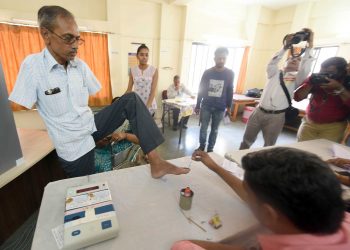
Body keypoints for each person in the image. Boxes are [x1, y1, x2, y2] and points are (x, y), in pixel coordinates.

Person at [8, 5, 189, 178]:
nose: (75, 45)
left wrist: (100, 133)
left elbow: (87, 105)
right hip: (73, 146)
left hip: (91, 127)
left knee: (131, 99)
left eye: (78, 38)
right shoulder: (32, 67)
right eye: (68, 38)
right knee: (87, 187)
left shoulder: (80, 66)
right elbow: (18, 106)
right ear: (46, 34)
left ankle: (156, 162)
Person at [172, 147, 350, 250]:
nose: (246, 195)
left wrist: (186, 244)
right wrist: (215, 167)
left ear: (268, 213)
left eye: (249, 194)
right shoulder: (337, 217)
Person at [239, 28, 315, 150]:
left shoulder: (297, 79)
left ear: (299, 67)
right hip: (258, 112)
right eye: (292, 59)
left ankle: (265, 167)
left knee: (269, 146)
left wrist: (310, 45)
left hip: (277, 117)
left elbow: (306, 68)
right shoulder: (274, 73)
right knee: (246, 141)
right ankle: (238, 163)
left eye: (297, 61)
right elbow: (272, 63)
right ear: (285, 62)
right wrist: (285, 47)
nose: (294, 60)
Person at [294, 57, 350, 142]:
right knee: (301, 151)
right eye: (322, 71)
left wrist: (339, 88)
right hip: (309, 123)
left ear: (341, 73)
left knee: (324, 153)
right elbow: (298, 97)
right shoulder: (315, 78)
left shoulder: (346, 82)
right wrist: (311, 83)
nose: (324, 75)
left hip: (334, 127)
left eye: (330, 73)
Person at [195, 47, 234, 152]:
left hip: (220, 107)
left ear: (226, 59)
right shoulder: (207, 72)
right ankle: (202, 146)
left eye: (223, 58)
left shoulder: (230, 73)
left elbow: (230, 90)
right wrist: (198, 105)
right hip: (206, 105)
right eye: (219, 58)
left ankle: (210, 149)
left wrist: (229, 106)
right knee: (203, 128)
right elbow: (201, 89)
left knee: (215, 130)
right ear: (214, 58)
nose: (221, 60)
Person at [126, 44, 158, 115]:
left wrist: (146, 109)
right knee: (135, 125)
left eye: (146, 55)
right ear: (137, 56)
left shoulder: (154, 70)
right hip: (137, 104)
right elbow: (129, 89)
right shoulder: (132, 70)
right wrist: (121, 99)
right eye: (142, 55)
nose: (144, 57)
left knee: (147, 125)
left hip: (149, 106)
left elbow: (153, 92)